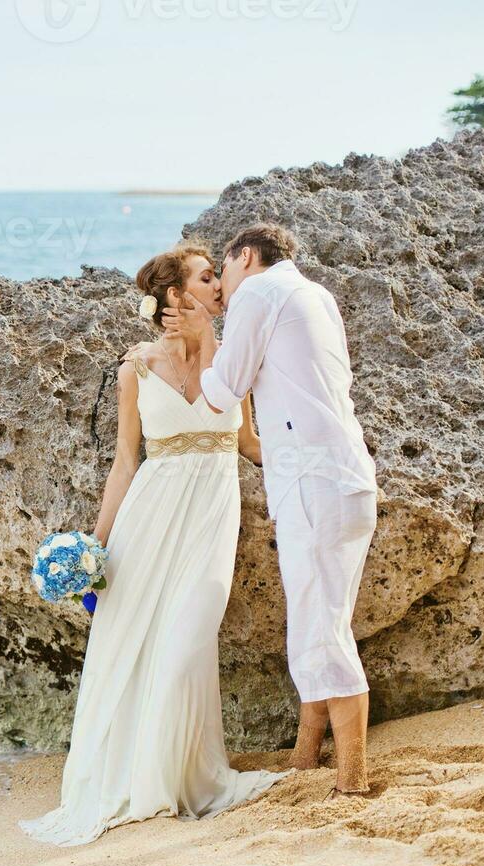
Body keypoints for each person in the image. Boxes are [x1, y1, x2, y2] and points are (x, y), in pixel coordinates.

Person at [18, 242, 290, 848]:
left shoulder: (233, 357)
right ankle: (149, 791)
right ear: (174, 295)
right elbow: (123, 463)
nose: (218, 285)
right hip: (149, 517)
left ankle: (179, 780)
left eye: (217, 276)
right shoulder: (135, 368)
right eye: (204, 277)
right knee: (136, 647)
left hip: (211, 516)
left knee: (191, 636)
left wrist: (312, 460)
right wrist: (96, 547)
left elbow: (247, 441)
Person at [161, 222, 379, 795]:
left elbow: (219, 392)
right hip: (345, 478)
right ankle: (308, 759)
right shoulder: (315, 295)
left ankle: (353, 778)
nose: (223, 288)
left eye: (223, 271)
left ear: (246, 256)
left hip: (315, 486)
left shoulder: (258, 293)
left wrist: (208, 330)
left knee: (324, 629)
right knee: (318, 620)